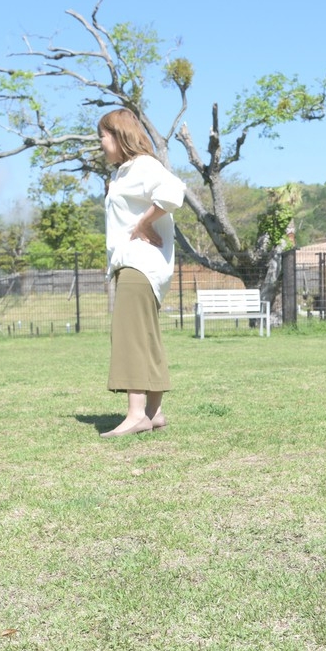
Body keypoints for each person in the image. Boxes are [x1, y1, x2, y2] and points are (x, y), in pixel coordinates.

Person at [98, 109, 185, 437]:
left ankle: (136, 415)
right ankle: (153, 413)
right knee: (145, 336)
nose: (100, 143)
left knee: (130, 336)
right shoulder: (123, 173)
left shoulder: (144, 166)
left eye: (103, 136)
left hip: (140, 265)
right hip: (138, 265)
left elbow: (173, 192)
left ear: (119, 136)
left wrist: (144, 223)